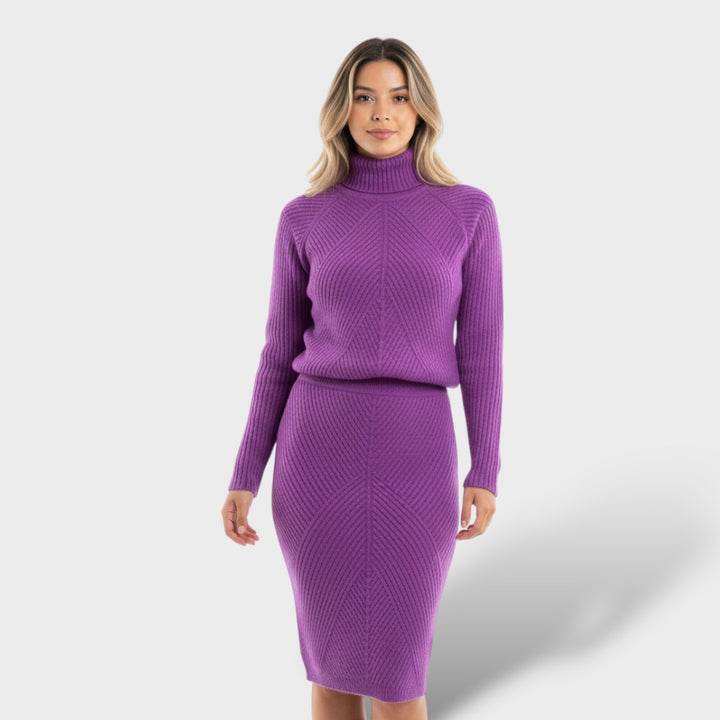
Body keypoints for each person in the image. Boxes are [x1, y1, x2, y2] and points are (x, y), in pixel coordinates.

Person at [221, 37, 503, 720]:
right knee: (332, 674)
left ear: (421, 108)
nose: (382, 113)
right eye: (364, 97)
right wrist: (244, 474)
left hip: (418, 453)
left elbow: (483, 353)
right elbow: (277, 355)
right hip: (317, 458)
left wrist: (486, 468)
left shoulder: (468, 212)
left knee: (401, 679)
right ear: (341, 111)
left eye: (399, 97)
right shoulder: (304, 217)